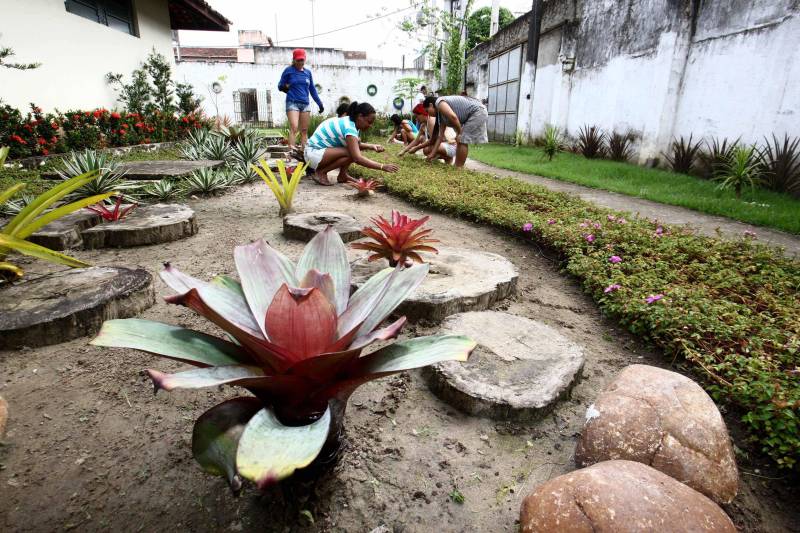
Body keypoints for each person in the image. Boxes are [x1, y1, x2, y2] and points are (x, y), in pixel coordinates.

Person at [304, 101, 398, 185]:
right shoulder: (349, 128)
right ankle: (321, 172)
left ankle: (342, 176)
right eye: (369, 122)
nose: (370, 126)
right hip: (313, 154)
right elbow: (357, 158)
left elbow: (355, 144)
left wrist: (372, 146)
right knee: (352, 153)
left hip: (316, 154)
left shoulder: (350, 122)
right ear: (360, 116)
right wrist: (382, 166)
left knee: (351, 150)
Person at [422, 94, 488, 167]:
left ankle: (458, 167)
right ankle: (457, 166)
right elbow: (440, 137)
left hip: (477, 111)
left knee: (462, 139)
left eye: (427, 111)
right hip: (476, 112)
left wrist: (459, 133)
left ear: (431, 105)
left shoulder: (439, 102)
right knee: (461, 139)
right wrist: (432, 155)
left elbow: (453, 117)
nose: (428, 114)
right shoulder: (441, 115)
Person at [278, 48, 324, 151]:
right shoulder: (288, 71)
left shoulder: (308, 73)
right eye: (298, 60)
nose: (300, 62)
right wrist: (285, 87)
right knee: (294, 127)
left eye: (302, 60)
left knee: (304, 130)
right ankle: (291, 153)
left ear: (305, 60)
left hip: (305, 104)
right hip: (292, 102)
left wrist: (319, 103)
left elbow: (312, 89)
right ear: (294, 60)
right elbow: (280, 85)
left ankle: (305, 154)